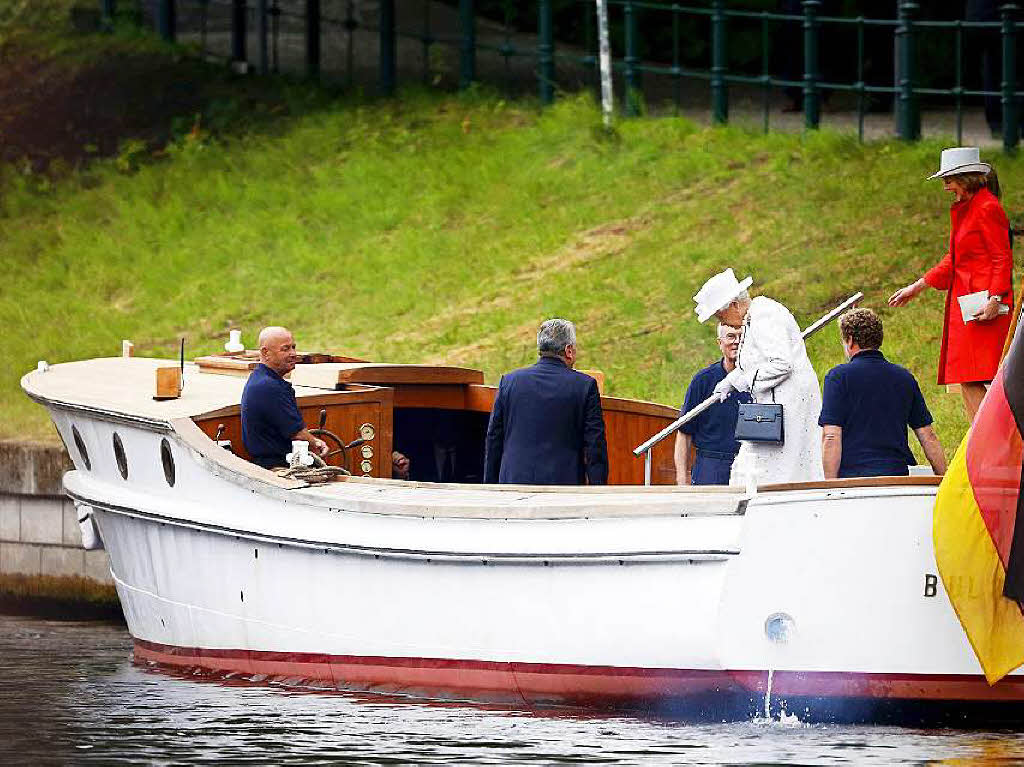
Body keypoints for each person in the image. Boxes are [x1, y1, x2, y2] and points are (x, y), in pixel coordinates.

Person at [889, 147, 1014, 422]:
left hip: (982, 304)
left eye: (949, 180)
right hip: (968, 303)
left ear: (966, 178)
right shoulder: (968, 208)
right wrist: (917, 286)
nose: (946, 187)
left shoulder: (987, 207)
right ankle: (981, 441)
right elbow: (954, 259)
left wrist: (996, 298)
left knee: (973, 376)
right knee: (966, 376)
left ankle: (987, 441)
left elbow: (1002, 257)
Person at [694, 268, 824, 485]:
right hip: (775, 406)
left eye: (721, 315)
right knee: (753, 467)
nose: (723, 322)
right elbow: (755, 363)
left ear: (734, 305)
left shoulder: (765, 315)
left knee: (779, 471)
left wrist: (743, 382)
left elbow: (781, 364)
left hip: (788, 406)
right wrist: (729, 382)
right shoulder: (753, 317)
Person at [819, 308, 947, 479]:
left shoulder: (837, 377)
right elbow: (928, 436)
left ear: (850, 341)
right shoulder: (904, 378)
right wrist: (944, 480)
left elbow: (831, 436)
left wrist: (830, 487)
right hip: (896, 476)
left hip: (852, 480)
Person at [484, 319, 608, 485]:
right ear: (569, 350)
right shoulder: (585, 386)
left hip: (513, 485)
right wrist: (598, 490)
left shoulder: (509, 382)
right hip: (562, 488)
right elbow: (595, 447)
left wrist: (489, 488)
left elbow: (494, 440)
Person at [674, 323, 752, 485]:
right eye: (730, 336)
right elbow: (684, 432)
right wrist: (682, 478)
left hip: (750, 462)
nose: (736, 341)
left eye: (742, 336)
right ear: (720, 343)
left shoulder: (760, 378)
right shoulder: (703, 380)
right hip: (711, 465)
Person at [240, 326, 328, 469]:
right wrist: (317, 444)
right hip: (277, 467)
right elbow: (297, 434)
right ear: (265, 352)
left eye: (293, 347)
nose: (293, 353)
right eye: (285, 349)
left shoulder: (259, 379)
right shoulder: (270, 387)